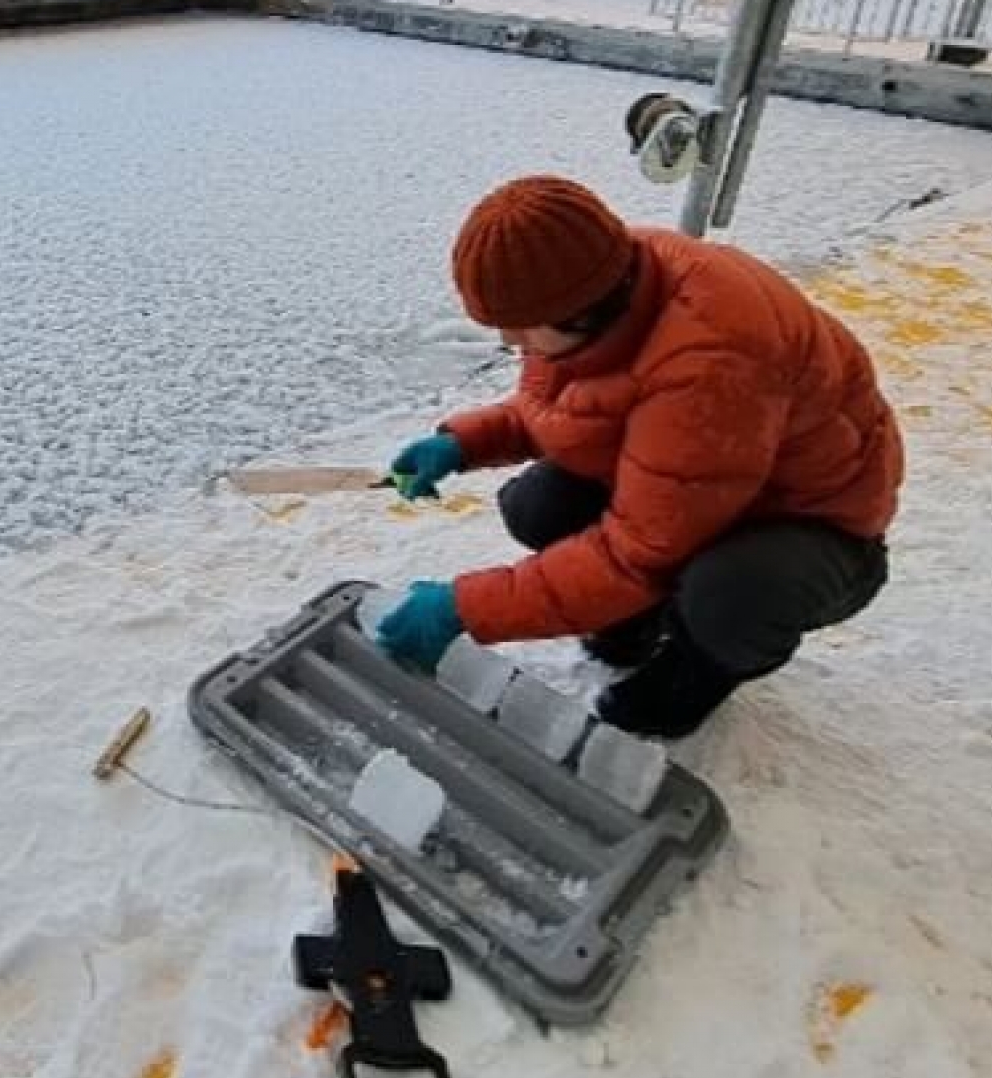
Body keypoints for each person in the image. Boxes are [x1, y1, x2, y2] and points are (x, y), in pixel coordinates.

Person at [372, 176, 901, 738]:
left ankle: (692, 672)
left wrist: (464, 608)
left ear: (577, 311)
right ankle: (634, 618)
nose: (509, 340)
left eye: (520, 326)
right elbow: (570, 413)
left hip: (805, 522)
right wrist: (463, 443)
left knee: (730, 594)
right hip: (700, 483)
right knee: (539, 503)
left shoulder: (712, 362)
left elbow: (638, 554)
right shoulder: (601, 278)